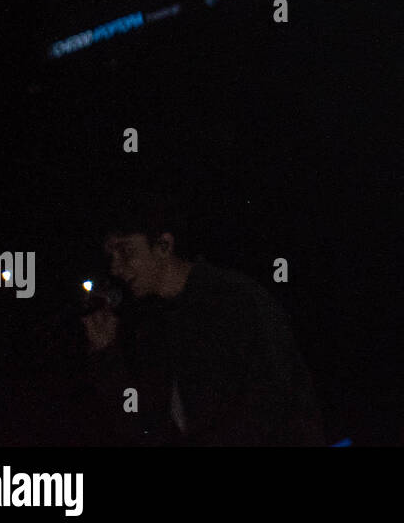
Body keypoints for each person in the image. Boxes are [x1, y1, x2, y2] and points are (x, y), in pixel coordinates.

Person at [80, 191, 323, 445]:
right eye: (112, 257)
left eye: (126, 252)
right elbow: (144, 427)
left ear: (164, 245)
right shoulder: (151, 325)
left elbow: (278, 401)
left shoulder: (236, 300)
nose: (115, 268)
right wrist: (105, 353)